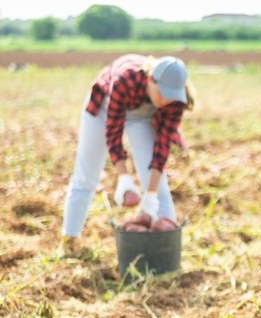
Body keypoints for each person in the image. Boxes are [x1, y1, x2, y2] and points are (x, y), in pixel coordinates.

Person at [61, 54, 194, 254]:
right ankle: (69, 241)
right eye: (162, 93)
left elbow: (162, 148)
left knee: (158, 183)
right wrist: (124, 179)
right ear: (151, 79)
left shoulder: (174, 100)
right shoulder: (126, 79)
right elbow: (113, 132)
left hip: (142, 115)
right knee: (86, 175)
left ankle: (166, 249)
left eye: (171, 95)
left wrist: (150, 195)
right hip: (105, 108)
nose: (165, 99)